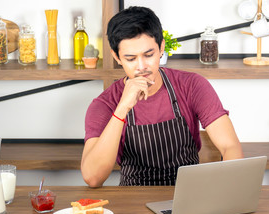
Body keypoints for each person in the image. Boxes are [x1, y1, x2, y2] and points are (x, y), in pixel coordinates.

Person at [81, 6, 243, 187]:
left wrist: (228, 190)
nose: (142, 66)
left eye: (148, 55)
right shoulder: (105, 103)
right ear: (117, 57)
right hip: (132, 200)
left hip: (187, 194)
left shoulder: (191, 85)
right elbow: (93, 178)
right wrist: (122, 108)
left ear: (161, 48)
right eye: (130, 59)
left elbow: (230, 147)